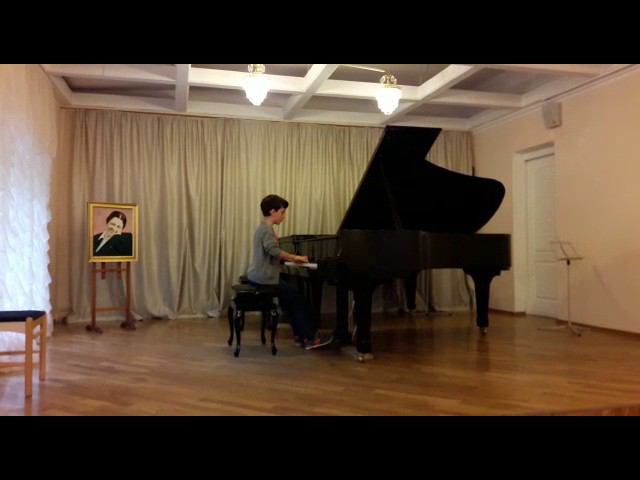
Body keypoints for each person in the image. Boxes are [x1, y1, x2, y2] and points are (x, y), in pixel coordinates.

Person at [246, 194, 333, 350]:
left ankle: (300, 336)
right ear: (272, 212)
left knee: (290, 301)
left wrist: (290, 259)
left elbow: (272, 252)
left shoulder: (263, 228)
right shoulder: (267, 230)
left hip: (258, 276)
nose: (284, 216)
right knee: (298, 300)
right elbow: (273, 251)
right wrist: (296, 258)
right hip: (265, 277)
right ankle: (309, 338)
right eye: (282, 212)